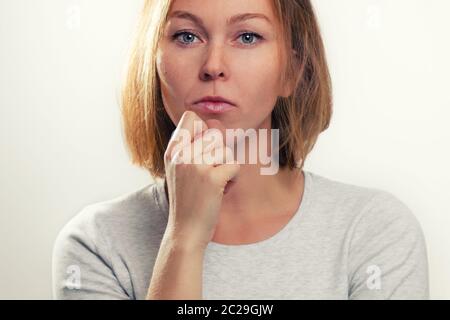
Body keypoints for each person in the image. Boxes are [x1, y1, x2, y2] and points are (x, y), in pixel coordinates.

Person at [52, 0, 429, 299]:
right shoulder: (96, 245)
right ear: (153, 60)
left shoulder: (375, 232)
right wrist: (184, 239)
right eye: (186, 36)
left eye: (247, 37)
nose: (214, 66)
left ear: (293, 69)